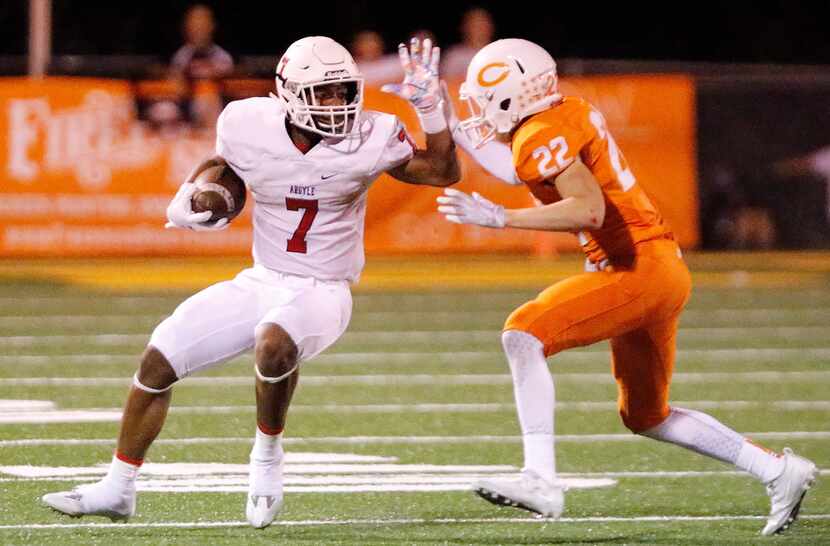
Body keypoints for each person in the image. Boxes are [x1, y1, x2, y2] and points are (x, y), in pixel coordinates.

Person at [42, 35, 459, 529]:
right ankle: (117, 488)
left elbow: (441, 171)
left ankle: (266, 458)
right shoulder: (247, 122)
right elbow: (227, 172)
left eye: (343, 91)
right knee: (159, 356)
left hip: (323, 288)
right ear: (287, 92)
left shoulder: (371, 134)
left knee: (274, 342)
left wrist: (433, 112)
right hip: (262, 278)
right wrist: (198, 195)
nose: (336, 104)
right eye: (322, 93)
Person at [436, 38, 818, 536]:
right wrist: (451, 126)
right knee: (645, 414)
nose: (479, 112)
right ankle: (776, 470)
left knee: (522, 333)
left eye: (485, 100)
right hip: (658, 268)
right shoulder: (561, 112)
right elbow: (517, 168)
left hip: (636, 268)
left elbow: (587, 208)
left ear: (512, 95)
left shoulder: (541, 133)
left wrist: (501, 218)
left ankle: (540, 479)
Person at [169, 4, 234, 129]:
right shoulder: (181, 58)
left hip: (219, 117)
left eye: (203, 21)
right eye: (195, 22)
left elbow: (230, 93)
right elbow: (175, 89)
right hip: (188, 118)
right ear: (187, 27)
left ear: (212, 26)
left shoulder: (223, 58)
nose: (199, 27)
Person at [441, 7, 495, 78]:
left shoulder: (500, 52)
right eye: (475, 24)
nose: (480, 29)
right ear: (465, 28)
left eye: (484, 23)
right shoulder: (454, 56)